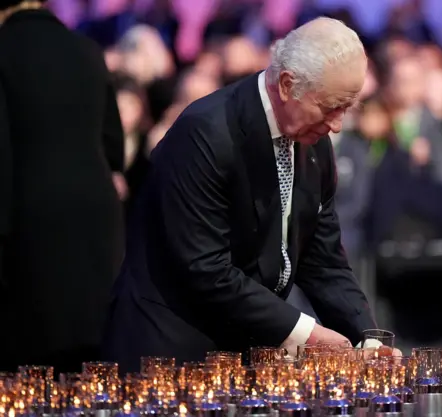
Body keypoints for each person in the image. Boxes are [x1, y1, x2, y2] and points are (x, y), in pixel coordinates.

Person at [103, 17, 377, 371]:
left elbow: (322, 256)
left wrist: (367, 336)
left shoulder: (313, 141)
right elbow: (205, 268)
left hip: (241, 354)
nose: (337, 124)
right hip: (169, 354)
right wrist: (306, 332)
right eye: (330, 107)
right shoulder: (206, 132)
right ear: (287, 84)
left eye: (347, 108)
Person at [0, 0, 125, 371]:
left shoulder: (4, 51)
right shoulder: (86, 48)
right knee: (88, 362)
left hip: (28, 219)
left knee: (29, 370)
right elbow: (114, 147)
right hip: (96, 217)